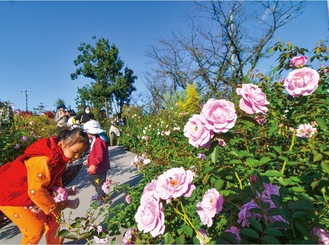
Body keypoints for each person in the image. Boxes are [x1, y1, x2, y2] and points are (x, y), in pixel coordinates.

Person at [0, 128, 89, 244]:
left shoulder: (60, 158)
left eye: (81, 153)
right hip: (10, 195)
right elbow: (36, 191)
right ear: (62, 144)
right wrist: (53, 206)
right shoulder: (43, 160)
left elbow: (55, 178)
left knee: (54, 220)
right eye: (75, 152)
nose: (77, 156)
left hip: (26, 193)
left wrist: (59, 195)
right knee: (34, 230)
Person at [83, 120, 110, 204]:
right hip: (95, 168)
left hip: (99, 168)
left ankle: (102, 198)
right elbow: (93, 153)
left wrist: (94, 164)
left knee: (99, 183)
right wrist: (88, 160)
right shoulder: (94, 140)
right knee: (95, 182)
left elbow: (99, 155)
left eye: (87, 132)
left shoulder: (99, 141)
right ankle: (99, 193)